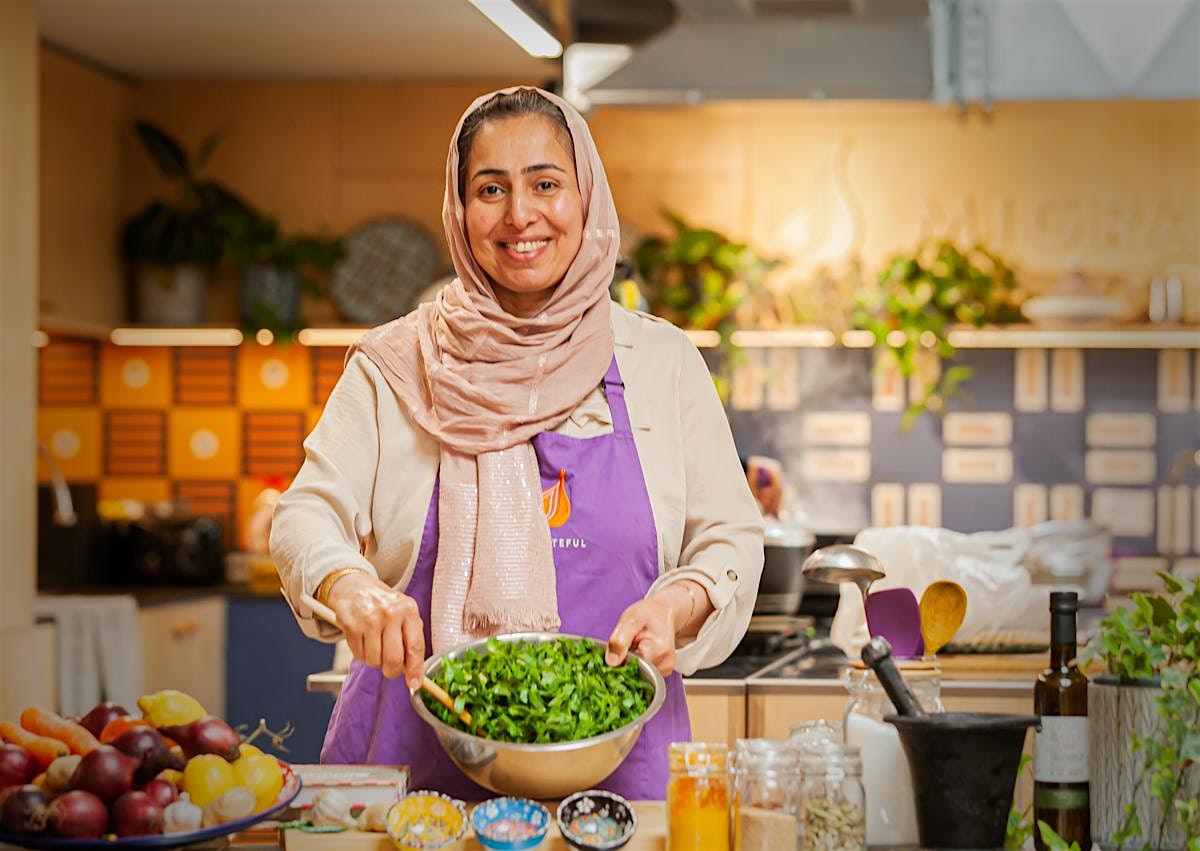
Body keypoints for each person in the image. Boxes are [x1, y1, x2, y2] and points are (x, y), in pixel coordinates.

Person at [270, 87, 763, 801]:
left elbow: (731, 536)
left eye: (545, 183)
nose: (519, 215)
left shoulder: (661, 363)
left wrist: (680, 602)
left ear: (585, 196)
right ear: (459, 210)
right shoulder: (395, 362)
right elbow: (303, 516)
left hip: (618, 773)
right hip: (416, 781)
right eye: (489, 189)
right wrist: (351, 589)